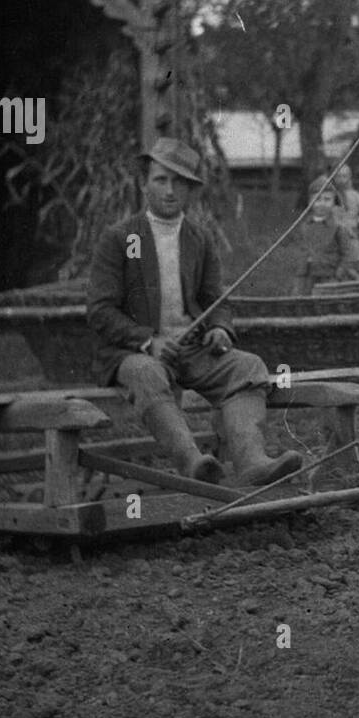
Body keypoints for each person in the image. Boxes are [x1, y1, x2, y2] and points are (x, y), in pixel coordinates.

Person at [87, 137, 302, 488]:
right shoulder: (119, 238)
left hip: (192, 348)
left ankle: (251, 462)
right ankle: (192, 463)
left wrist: (220, 328)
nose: (170, 191)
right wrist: (147, 341)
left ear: (191, 191)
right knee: (146, 374)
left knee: (248, 367)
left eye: (180, 183)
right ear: (145, 185)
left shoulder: (199, 239)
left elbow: (215, 299)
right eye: (161, 180)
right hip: (134, 353)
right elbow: (99, 311)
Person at [296, 177, 352, 294]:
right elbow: (303, 251)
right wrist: (300, 277)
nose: (321, 204)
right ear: (310, 202)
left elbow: (347, 254)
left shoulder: (338, 227)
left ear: (333, 202)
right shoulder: (306, 225)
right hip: (308, 277)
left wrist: (338, 275)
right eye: (317, 199)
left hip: (329, 277)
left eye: (327, 199)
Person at [331, 163, 359, 280]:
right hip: (335, 239)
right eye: (338, 176)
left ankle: (356, 284)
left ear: (349, 178)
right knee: (338, 268)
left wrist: (358, 222)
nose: (341, 180)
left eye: (344, 176)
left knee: (353, 264)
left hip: (352, 237)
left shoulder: (355, 196)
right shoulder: (330, 196)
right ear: (334, 178)